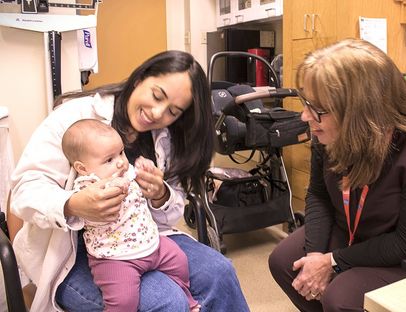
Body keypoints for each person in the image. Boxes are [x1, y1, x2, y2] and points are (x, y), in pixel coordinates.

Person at [11, 50, 250, 312]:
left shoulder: (166, 138)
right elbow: (25, 189)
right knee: (168, 300)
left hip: (142, 238)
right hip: (75, 253)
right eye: (157, 95)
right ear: (139, 78)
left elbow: (170, 214)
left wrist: (160, 195)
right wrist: (74, 205)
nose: (157, 113)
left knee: (220, 272)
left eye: (173, 111)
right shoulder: (75, 118)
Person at [268, 38, 406, 312]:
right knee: (286, 261)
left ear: (360, 113)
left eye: (318, 109)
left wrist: (331, 262)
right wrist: (314, 256)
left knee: (342, 297)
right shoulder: (329, 130)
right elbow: (319, 195)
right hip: (360, 227)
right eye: (306, 103)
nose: (305, 117)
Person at [61, 119, 200, 312]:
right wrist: (117, 186)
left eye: (121, 153)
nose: (120, 162)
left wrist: (147, 167)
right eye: (109, 160)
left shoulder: (123, 170)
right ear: (83, 168)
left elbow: (141, 176)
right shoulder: (87, 186)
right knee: (124, 302)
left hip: (151, 244)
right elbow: (90, 203)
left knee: (180, 262)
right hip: (115, 259)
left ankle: (188, 299)